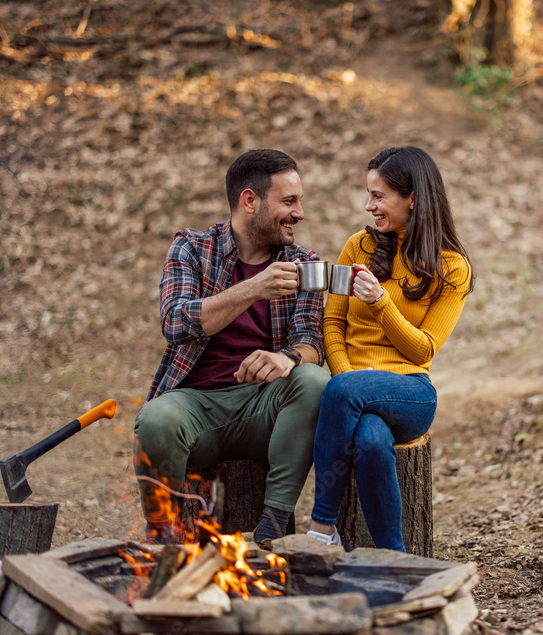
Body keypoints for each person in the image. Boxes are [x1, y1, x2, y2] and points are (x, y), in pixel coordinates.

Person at [133, 148, 329, 544]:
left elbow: (311, 340)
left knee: (313, 380)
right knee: (155, 420)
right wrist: (254, 288)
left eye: (300, 201)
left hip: (266, 410)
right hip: (197, 407)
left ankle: (272, 527)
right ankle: (164, 540)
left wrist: (286, 357)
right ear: (249, 200)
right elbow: (175, 322)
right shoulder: (192, 248)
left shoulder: (304, 262)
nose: (299, 213)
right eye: (289, 201)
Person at [306, 146, 474, 551]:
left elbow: (423, 350)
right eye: (369, 195)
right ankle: (393, 556)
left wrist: (381, 303)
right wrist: (347, 376)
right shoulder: (358, 248)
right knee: (368, 440)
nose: (369, 206)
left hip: (410, 392)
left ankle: (321, 527)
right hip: (352, 392)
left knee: (344, 391)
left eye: (378, 196)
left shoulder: (451, 267)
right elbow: (333, 322)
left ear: (412, 197)